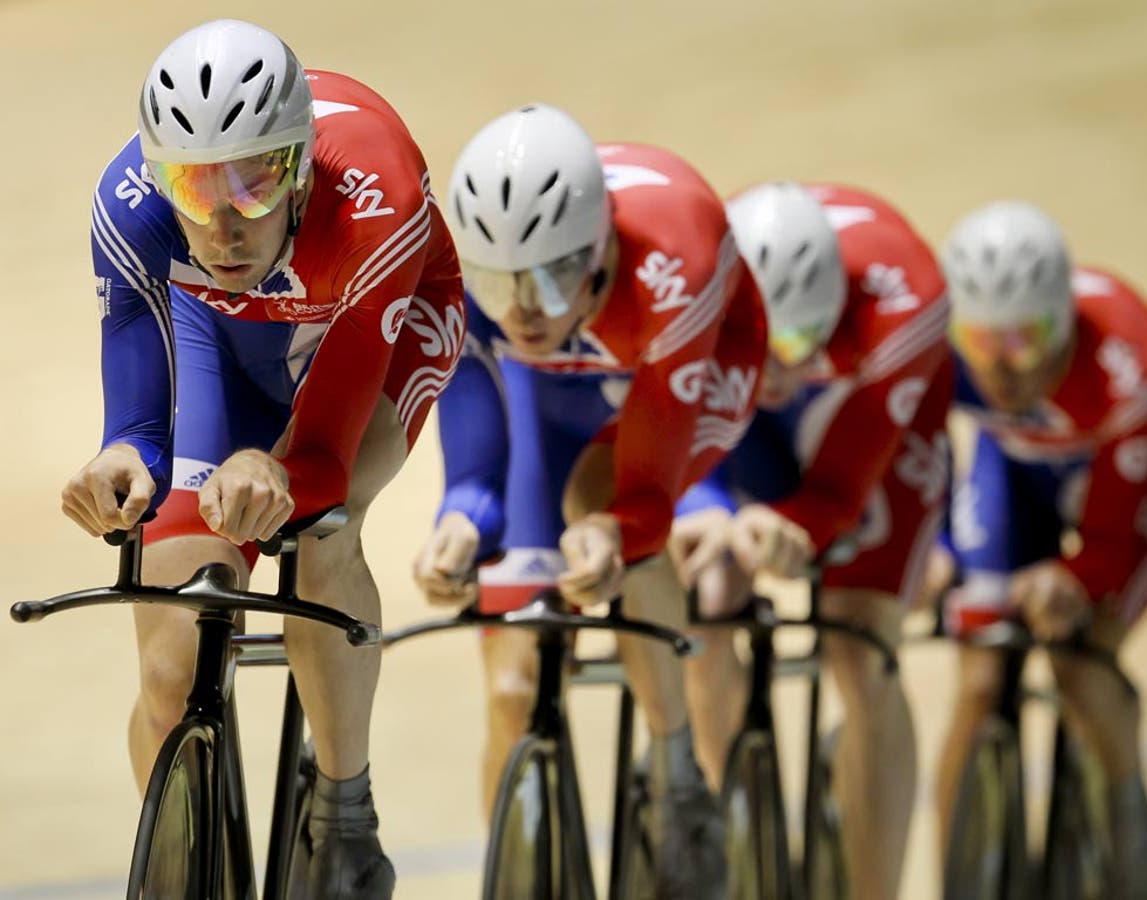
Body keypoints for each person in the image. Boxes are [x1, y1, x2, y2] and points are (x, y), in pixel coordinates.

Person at [60, 19, 464, 897]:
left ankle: (345, 813)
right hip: (224, 342)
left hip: (372, 326)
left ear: (301, 164)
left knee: (322, 527)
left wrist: (285, 471)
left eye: (253, 188)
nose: (222, 224)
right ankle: (178, 857)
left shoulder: (374, 196)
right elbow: (139, 416)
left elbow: (319, 451)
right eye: (195, 192)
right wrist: (121, 460)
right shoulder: (129, 206)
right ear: (158, 174)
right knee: (171, 668)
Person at [411, 103, 766, 898]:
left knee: (602, 507)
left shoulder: (672, 261)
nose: (524, 308)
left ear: (600, 248)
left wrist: (616, 531)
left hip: (687, 374)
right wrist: (459, 529)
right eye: (499, 282)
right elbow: (479, 470)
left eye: (545, 277)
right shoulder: (457, 280)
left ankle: (680, 778)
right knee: (511, 684)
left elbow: (640, 492)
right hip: (555, 395)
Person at [670, 181, 952, 900]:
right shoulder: (696, 283)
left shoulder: (904, 302)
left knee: (862, 652)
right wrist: (704, 507)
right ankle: (734, 848)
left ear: (833, 313)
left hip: (866, 420)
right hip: (730, 402)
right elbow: (669, 437)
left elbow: (838, 493)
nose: (777, 372)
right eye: (762, 346)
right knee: (705, 594)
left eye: (794, 344)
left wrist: (800, 523)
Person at [927, 201, 1147, 899]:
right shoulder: (944, 351)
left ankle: (1131, 854)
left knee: (1082, 667)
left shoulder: (1125, 360)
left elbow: (1107, 540)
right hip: (1011, 468)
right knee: (980, 680)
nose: (1001, 368)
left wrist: (1074, 579)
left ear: (1064, 318)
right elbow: (913, 461)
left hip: (1126, 482)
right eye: (981, 343)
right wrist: (941, 552)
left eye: (1025, 341)